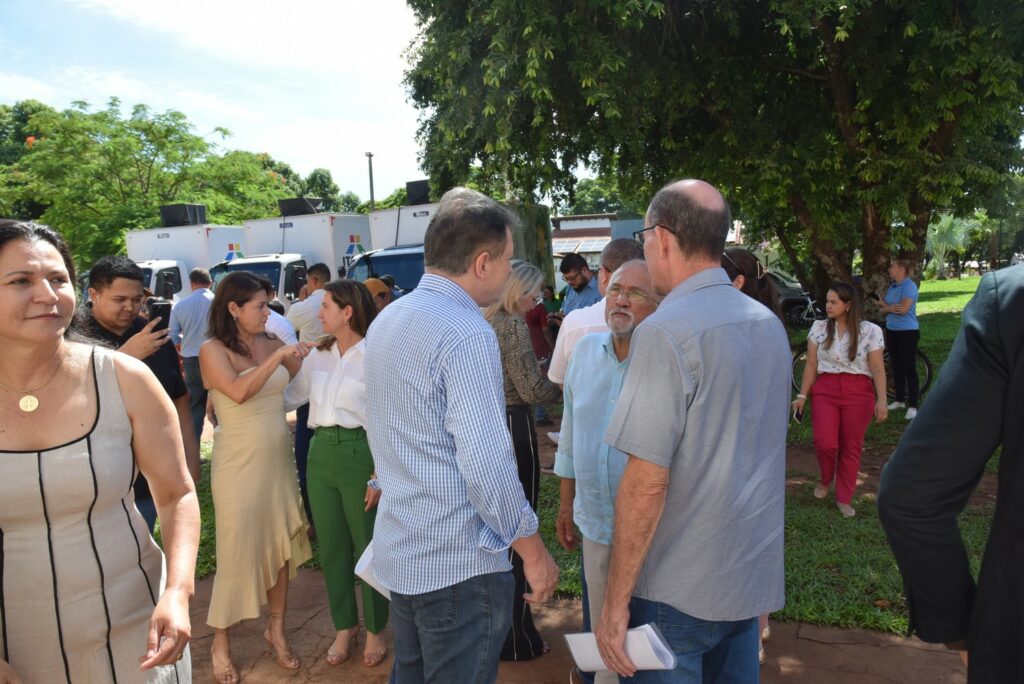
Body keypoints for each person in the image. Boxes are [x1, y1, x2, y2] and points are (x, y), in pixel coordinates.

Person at [595, 180, 790, 681]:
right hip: (744, 580)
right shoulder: (766, 324)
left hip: (675, 592)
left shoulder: (665, 331)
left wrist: (615, 606)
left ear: (660, 237)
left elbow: (646, 481)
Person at [364, 187, 559, 683]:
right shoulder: (466, 331)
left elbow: (384, 430)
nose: (511, 272)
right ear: (482, 262)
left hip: (404, 551)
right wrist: (532, 553)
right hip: (458, 563)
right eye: (509, 260)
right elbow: (487, 465)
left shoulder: (390, 318)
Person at [0, 220, 200, 682]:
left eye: (57, 279)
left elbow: (175, 495)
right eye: (21, 281)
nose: (47, 295)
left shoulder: (125, 378)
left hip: (134, 634)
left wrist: (177, 591)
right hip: (16, 649)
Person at [878, 265, 1024, 682]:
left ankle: (907, 401)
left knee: (906, 372)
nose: (891, 269)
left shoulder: (1011, 299)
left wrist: (963, 634)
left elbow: (909, 494)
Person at [199, 271, 314, 684]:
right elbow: (238, 391)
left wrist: (302, 351)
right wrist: (276, 358)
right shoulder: (210, 348)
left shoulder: (272, 340)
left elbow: (299, 374)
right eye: (260, 305)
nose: (269, 312)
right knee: (236, 550)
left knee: (280, 546)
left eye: (268, 304)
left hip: (277, 462)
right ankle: (221, 642)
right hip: (237, 466)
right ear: (233, 308)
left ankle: (277, 631)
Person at [554, 260, 660, 684]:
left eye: (635, 292)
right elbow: (569, 431)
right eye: (615, 289)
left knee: (649, 635)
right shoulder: (583, 353)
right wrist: (565, 503)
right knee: (603, 629)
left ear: (659, 303)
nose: (620, 299)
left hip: (653, 530)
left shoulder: (667, 363)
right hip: (595, 520)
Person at [284, 279, 390, 668]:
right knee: (331, 547)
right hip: (319, 453)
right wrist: (277, 360)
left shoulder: (376, 355)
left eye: (326, 305)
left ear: (348, 311)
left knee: (368, 545)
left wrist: (379, 474)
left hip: (361, 453)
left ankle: (377, 628)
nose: (318, 312)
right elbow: (291, 396)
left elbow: (384, 418)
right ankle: (344, 626)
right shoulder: (319, 353)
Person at [83, 256, 201, 529]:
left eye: (137, 300)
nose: (130, 307)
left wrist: (191, 464)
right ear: (94, 294)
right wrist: (124, 357)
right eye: (120, 299)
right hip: (99, 485)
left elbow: (179, 400)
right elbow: (70, 397)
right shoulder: (73, 335)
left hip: (153, 483)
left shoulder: (153, 335)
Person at [484, 260, 563, 661]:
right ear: (519, 289)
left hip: (485, 429)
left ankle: (502, 632)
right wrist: (565, 380)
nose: (538, 299)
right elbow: (531, 389)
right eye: (534, 292)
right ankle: (517, 638)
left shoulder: (481, 319)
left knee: (493, 535)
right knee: (519, 527)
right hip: (514, 430)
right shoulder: (511, 324)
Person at [721, 247, 783, 664]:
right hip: (760, 449)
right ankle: (757, 625)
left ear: (738, 281)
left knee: (744, 542)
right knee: (756, 540)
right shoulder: (769, 324)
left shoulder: (742, 324)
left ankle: (752, 629)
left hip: (741, 448)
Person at [793, 281, 888, 517]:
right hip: (826, 388)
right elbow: (812, 364)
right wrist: (803, 395)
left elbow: (877, 369)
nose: (828, 306)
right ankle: (826, 479)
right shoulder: (819, 328)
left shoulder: (870, 331)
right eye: (827, 301)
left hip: (859, 392)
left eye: (833, 302)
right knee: (825, 443)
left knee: (850, 447)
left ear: (848, 305)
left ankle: (844, 497)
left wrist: (882, 400)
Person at [547, 239, 645, 386]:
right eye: (566, 279)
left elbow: (561, 381)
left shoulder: (575, 324)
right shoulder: (659, 317)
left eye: (573, 278)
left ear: (603, 274)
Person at [287, 261, 331, 526]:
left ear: (312, 281)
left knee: (305, 449)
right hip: (328, 383)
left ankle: (314, 516)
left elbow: (289, 325)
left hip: (309, 383)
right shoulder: (333, 300)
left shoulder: (302, 308)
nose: (321, 315)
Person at [170, 267, 214, 449]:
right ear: (210, 282)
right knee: (222, 403)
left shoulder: (179, 305)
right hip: (215, 357)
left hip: (190, 358)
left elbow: (172, 336)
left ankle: (193, 450)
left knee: (195, 405)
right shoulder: (218, 302)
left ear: (191, 283)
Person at [878, 258, 921, 419]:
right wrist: (887, 308)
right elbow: (886, 308)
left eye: (892, 266)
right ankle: (899, 400)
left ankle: (914, 406)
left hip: (907, 332)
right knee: (896, 366)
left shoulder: (909, 286)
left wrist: (887, 309)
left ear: (902, 269)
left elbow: (902, 309)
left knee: (909, 368)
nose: (889, 269)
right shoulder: (893, 286)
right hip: (892, 330)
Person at [553, 252, 601, 323]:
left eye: (572, 278)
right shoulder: (570, 287)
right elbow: (564, 312)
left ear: (584, 270)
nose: (569, 282)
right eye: (566, 279)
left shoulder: (601, 289)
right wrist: (559, 317)